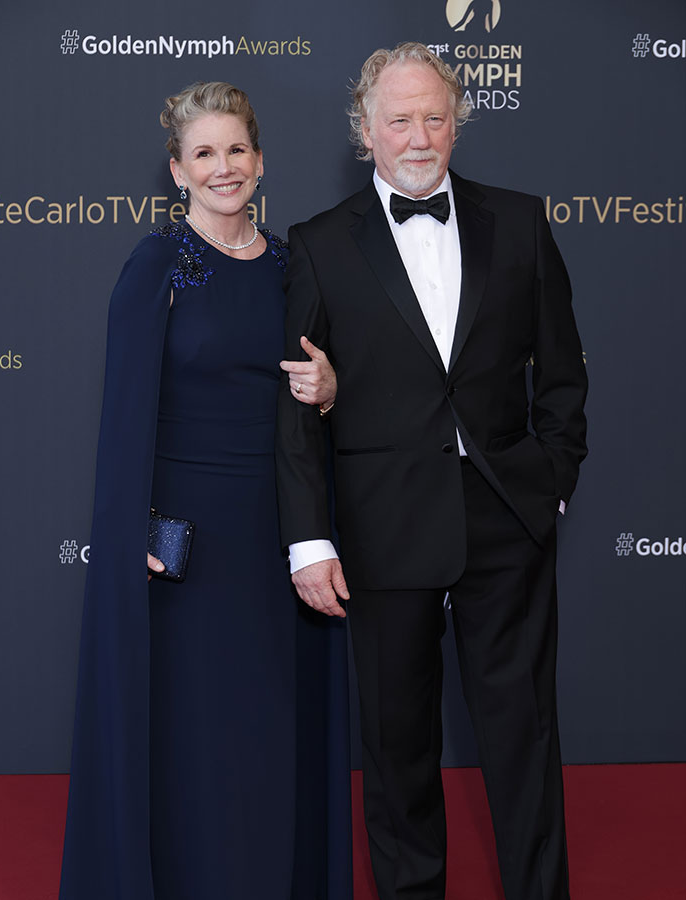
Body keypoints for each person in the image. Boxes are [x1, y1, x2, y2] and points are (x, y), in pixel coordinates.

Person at [276, 43, 588, 900]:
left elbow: (563, 375)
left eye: (435, 118)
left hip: (505, 518)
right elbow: (297, 404)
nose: (420, 137)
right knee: (399, 746)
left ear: (457, 125)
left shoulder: (520, 222)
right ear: (364, 133)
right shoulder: (317, 244)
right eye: (400, 120)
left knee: (524, 741)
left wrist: (550, 480)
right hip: (384, 529)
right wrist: (310, 539)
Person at [59, 81, 352, 900]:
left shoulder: (298, 266)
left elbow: (321, 397)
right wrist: (135, 536)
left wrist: (330, 389)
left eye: (235, 151)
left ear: (259, 161)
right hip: (187, 547)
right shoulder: (156, 267)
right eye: (203, 154)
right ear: (178, 171)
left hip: (282, 535)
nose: (222, 168)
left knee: (271, 732)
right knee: (199, 742)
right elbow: (123, 422)